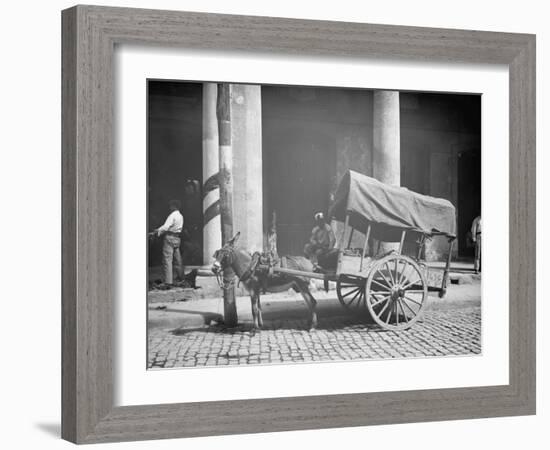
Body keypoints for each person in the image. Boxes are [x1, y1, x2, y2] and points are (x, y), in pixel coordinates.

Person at [154, 199, 184, 286]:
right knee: (178, 259)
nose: (169, 207)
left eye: (170, 206)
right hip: (177, 238)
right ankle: (180, 277)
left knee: (167, 259)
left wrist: (158, 230)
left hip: (170, 237)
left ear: (173, 206)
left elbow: (166, 227)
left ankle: (168, 281)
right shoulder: (180, 216)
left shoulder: (172, 215)